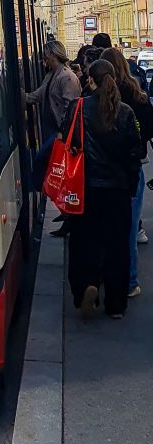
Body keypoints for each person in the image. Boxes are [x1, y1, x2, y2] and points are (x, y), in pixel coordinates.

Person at [61, 59, 143, 319]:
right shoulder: (126, 112)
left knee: (84, 243)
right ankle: (116, 304)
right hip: (117, 192)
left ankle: (87, 286)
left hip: (84, 190)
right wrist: (130, 187)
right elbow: (135, 154)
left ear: (91, 80)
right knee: (117, 246)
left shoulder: (78, 108)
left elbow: (68, 142)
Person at [102, 47, 153, 297]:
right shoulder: (139, 95)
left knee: (110, 229)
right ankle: (130, 282)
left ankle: (109, 277)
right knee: (130, 228)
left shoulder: (100, 98)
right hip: (134, 169)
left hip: (106, 170)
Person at [26, 40, 81, 191]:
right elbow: (40, 93)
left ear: (53, 54)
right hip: (50, 128)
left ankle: (41, 189)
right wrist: (26, 97)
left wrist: (63, 131)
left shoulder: (67, 77)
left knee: (41, 159)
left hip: (59, 131)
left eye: (46, 55)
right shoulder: (51, 74)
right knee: (51, 164)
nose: (44, 58)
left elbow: (71, 107)